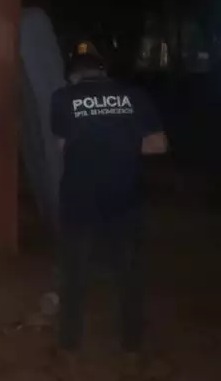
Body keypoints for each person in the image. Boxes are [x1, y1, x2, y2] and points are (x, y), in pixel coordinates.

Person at [50, 42, 168, 353]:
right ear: (102, 71)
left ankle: (69, 342)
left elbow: (62, 147)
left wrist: (92, 142)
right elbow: (158, 144)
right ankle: (131, 342)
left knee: (74, 272)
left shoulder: (62, 97)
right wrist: (121, 143)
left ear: (73, 76)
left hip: (79, 197)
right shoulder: (135, 96)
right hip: (123, 195)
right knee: (128, 272)